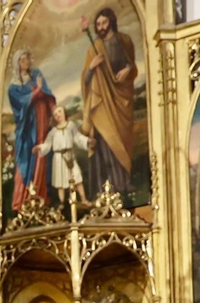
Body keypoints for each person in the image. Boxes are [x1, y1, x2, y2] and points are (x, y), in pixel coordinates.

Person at [78, 7, 138, 204]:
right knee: (105, 143)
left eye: (104, 23)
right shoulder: (92, 49)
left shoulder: (124, 40)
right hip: (102, 103)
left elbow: (132, 66)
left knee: (121, 140)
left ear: (111, 22)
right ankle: (105, 187)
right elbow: (85, 81)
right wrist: (93, 66)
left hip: (120, 100)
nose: (101, 27)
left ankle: (124, 182)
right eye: (98, 25)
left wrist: (128, 70)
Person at [5, 48, 54, 212]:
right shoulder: (13, 89)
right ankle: (21, 201)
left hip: (42, 123)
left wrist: (54, 112)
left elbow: (48, 95)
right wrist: (38, 91)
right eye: (23, 59)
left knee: (42, 154)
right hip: (27, 129)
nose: (27, 62)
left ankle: (41, 198)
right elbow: (21, 106)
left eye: (28, 58)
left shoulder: (36, 75)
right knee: (26, 161)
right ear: (17, 63)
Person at [36, 104, 93, 209]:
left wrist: (87, 141)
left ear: (64, 113)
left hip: (70, 155)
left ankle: (83, 199)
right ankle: (62, 203)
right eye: (55, 114)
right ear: (53, 117)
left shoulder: (71, 125)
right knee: (60, 181)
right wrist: (40, 148)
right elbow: (47, 144)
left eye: (59, 111)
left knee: (77, 178)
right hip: (58, 158)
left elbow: (77, 137)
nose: (58, 115)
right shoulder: (53, 132)